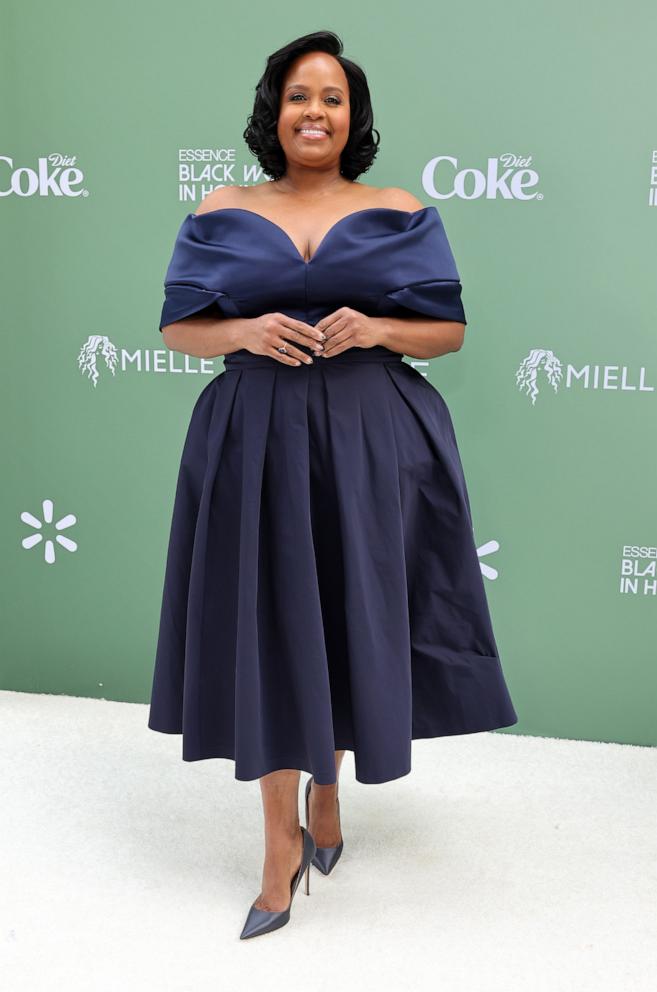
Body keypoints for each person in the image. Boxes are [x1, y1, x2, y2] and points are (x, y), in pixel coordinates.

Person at [147, 29, 518, 940]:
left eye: (333, 98)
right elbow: (178, 329)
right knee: (269, 630)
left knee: (348, 615)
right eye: (299, 96)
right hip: (254, 442)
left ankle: (330, 791)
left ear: (353, 118)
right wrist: (240, 334)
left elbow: (449, 333)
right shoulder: (221, 205)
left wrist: (379, 329)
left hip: (369, 440)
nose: (315, 112)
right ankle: (278, 851)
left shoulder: (395, 206)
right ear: (273, 112)